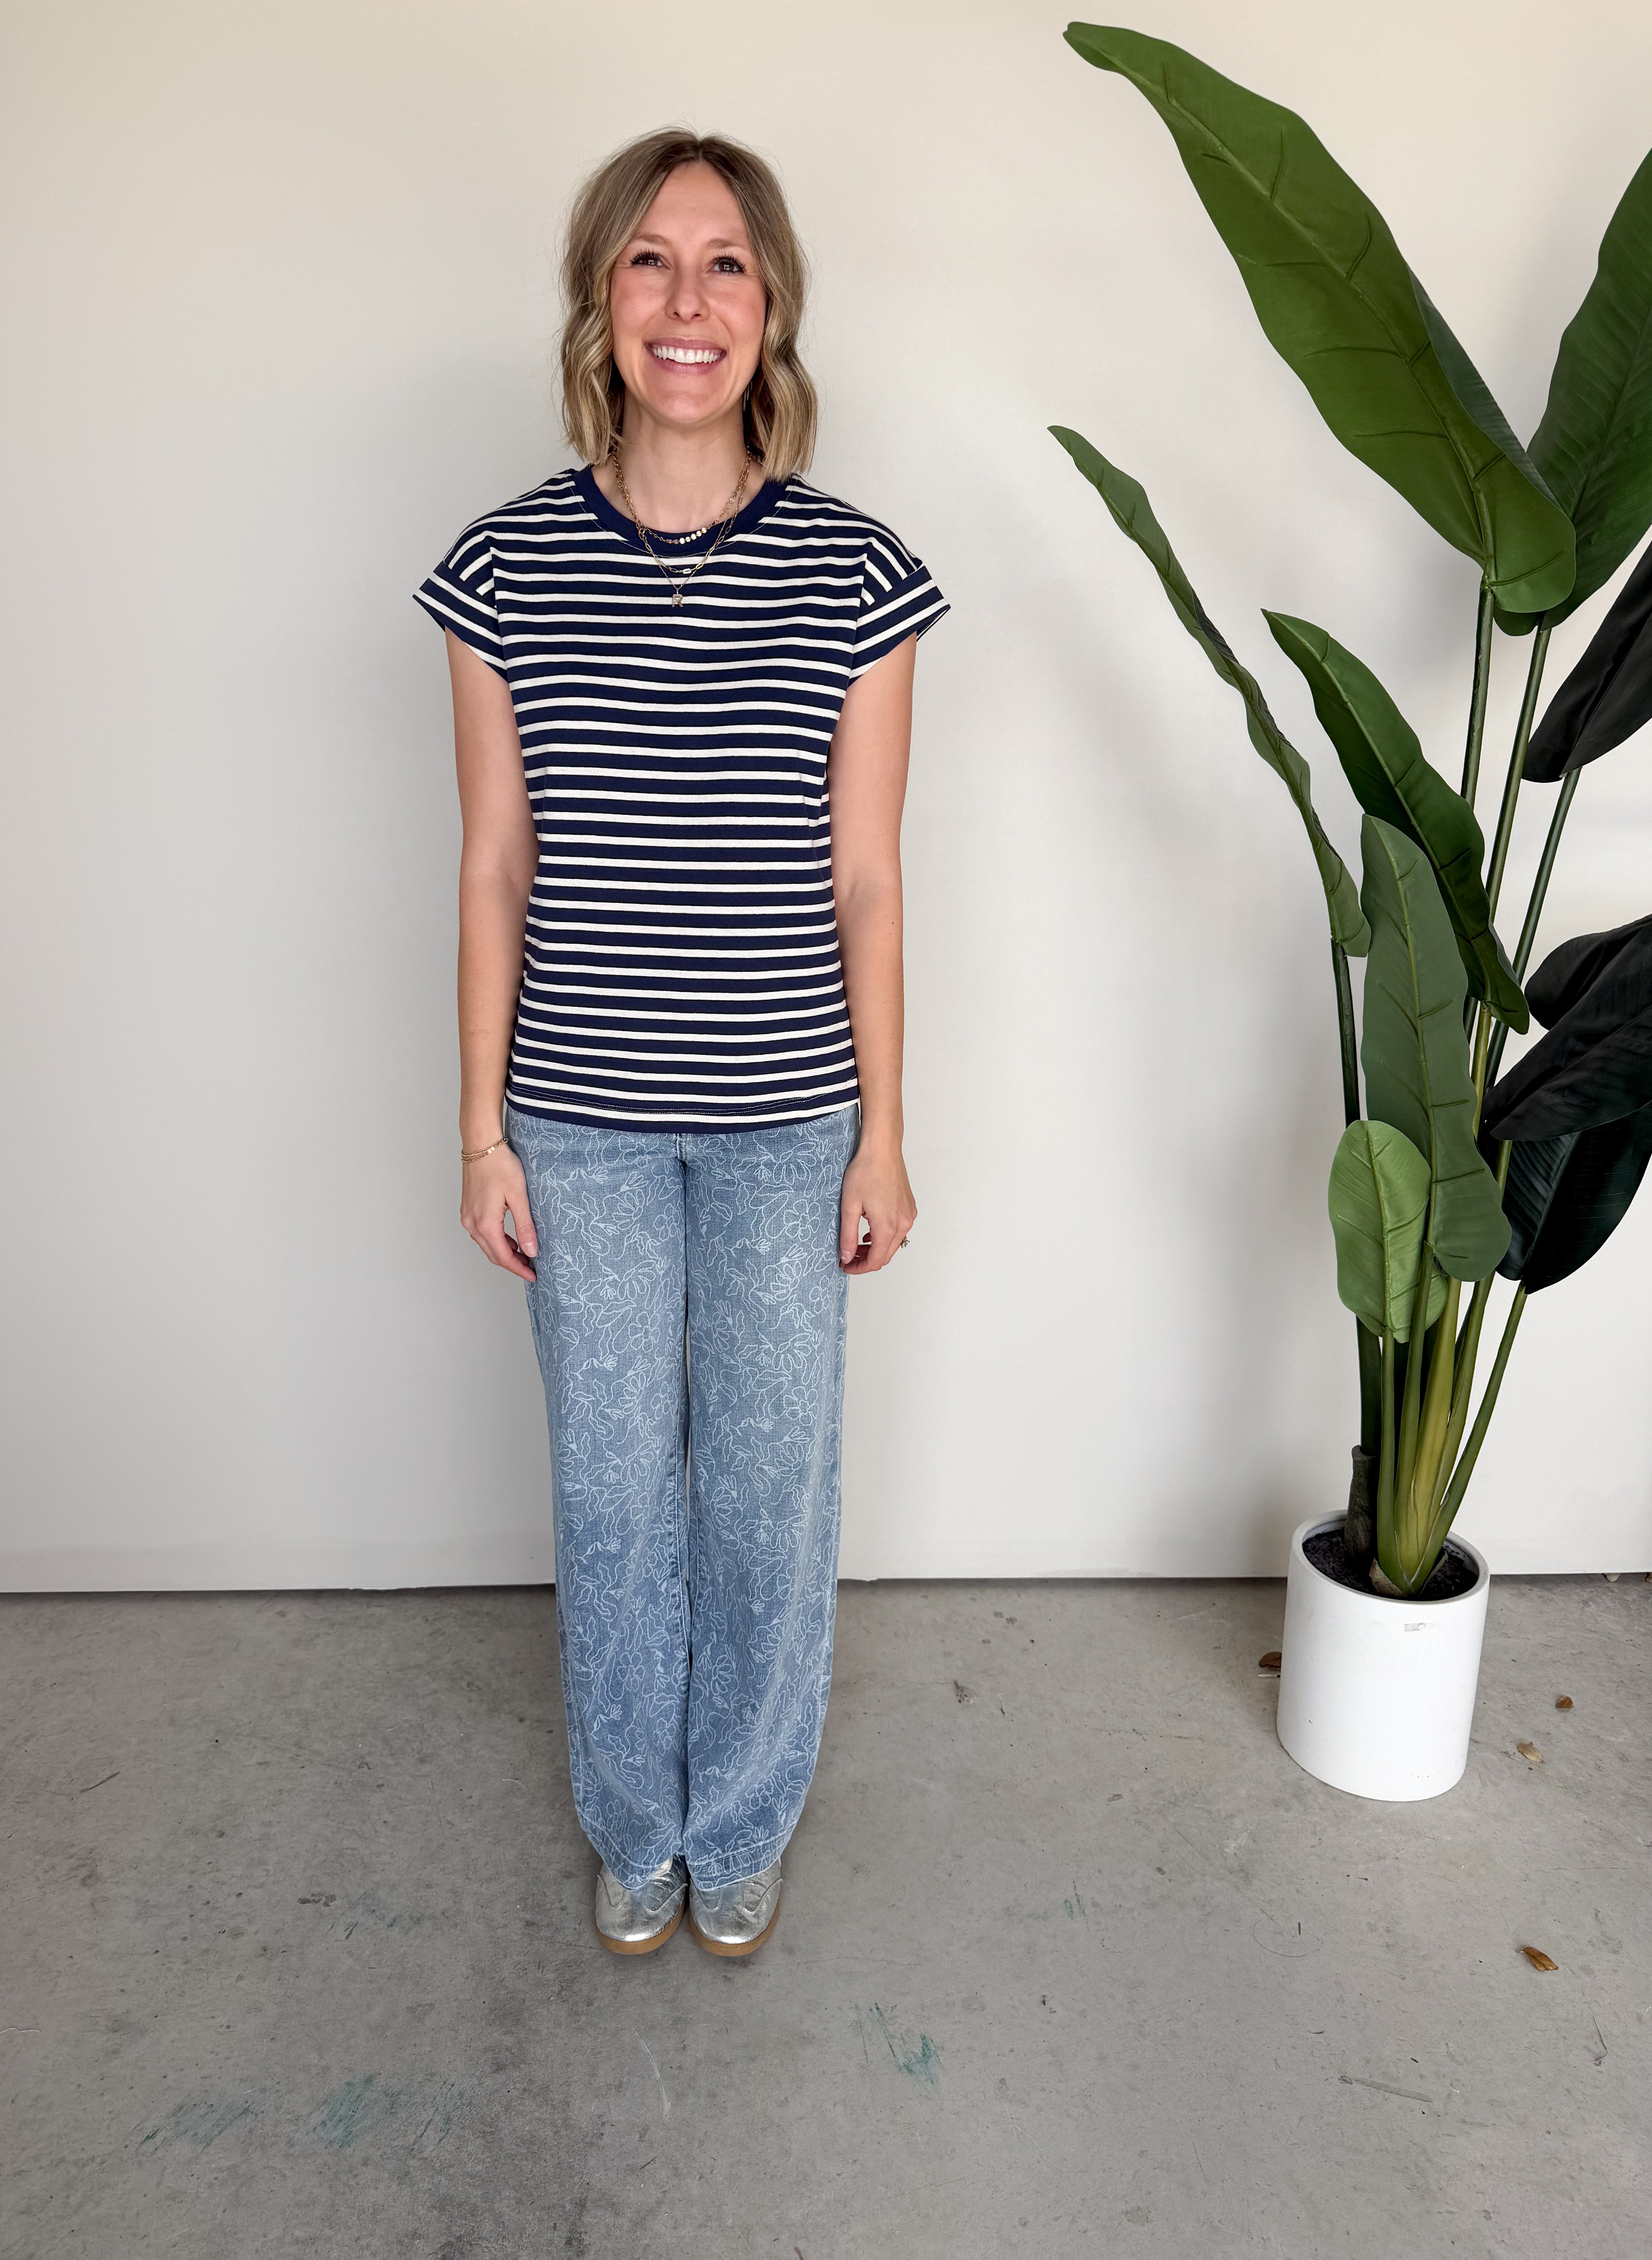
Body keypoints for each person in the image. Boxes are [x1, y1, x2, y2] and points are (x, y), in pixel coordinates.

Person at [413, 128, 948, 1958]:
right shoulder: (502, 570)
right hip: (578, 1124)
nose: (688, 300)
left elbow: (866, 877)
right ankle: (638, 1825)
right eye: (651, 259)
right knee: (613, 1491)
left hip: (793, 1124)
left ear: (771, 305)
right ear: (602, 298)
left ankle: (743, 1819)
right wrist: (481, 1133)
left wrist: (885, 1133)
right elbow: (495, 864)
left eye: (726, 263)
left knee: (770, 1497)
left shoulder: (859, 576)